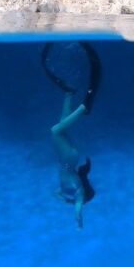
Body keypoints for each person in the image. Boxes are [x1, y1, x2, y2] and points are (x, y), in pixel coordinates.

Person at [51, 91, 94, 229]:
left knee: (62, 128)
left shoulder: (70, 192)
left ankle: (69, 95)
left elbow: (55, 193)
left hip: (67, 158)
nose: (80, 203)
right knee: (55, 131)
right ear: (85, 197)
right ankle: (82, 108)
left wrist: (67, 201)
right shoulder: (79, 194)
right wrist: (79, 223)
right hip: (68, 158)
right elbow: (78, 210)